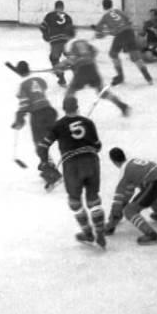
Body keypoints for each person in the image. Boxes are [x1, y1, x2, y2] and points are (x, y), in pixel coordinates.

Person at [37, 96, 107, 249]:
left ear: (64, 108)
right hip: (91, 161)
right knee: (93, 199)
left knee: (74, 201)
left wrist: (45, 163)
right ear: (77, 107)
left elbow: (42, 146)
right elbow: (98, 146)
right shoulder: (88, 123)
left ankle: (88, 232)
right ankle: (100, 233)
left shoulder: (58, 125)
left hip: (72, 165)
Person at [104, 147, 157, 245]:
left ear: (113, 162)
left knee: (129, 211)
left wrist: (110, 225)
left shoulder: (124, 173)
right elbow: (129, 194)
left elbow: (118, 200)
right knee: (146, 191)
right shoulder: (133, 163)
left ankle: (152, 235)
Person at [10, 61, 63, 190]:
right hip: (50, 112)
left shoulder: (23, 86)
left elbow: (24, 104)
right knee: (52, 139)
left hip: (38, 116)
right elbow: (42, 87)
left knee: (40, 144)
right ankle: (50, 165)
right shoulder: (39, 79)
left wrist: (19, 121)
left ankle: (51, 172)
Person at [54, 38, 130, 117]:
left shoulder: (71, 46)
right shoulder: (86, 44)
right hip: (92, 69)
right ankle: (122, 106)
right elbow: (94, 52)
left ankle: (70, 114)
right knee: (102, 92)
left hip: (81, 72)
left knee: (70, 92)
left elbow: (71, 60)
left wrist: (59, 67)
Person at [92, 0, 153, 86]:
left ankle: (120, 76)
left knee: (113, 54)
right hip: (130, 32)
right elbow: (129, 21)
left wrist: (97, 30)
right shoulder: (118, 11)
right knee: (135, 56)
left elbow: (99, 30)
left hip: (120, 35)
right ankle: (148, 78)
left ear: (103, 6)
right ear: (111, 4)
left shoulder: (105, 17)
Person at [39, 0, 75, 87]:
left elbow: (42, 27)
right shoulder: (68, 17)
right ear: (63, 7)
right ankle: (78, 74)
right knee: (71, 59)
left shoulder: (49, 15)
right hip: (66, 41)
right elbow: (72, 31)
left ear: (55, 7)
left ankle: (61, 78)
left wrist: (46, 35)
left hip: (55, 41)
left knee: (54, 59)